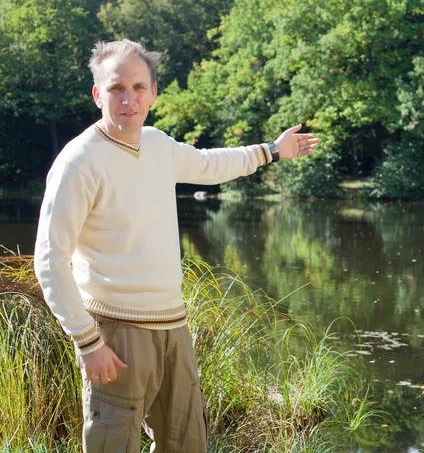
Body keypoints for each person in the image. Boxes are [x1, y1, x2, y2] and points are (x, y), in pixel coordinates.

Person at [33, 39, 319, 453]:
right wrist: (87, 341)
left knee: (186, 442)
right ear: (98, 94)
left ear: (153, 93)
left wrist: (272, 151)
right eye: (116, 89)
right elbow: (50, 259)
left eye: (138, 87)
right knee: (114, 443)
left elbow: (210, 164)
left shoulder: (158, 145)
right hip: (117, 333)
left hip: (173, 327)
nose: (128, 99)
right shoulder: (80, 161)